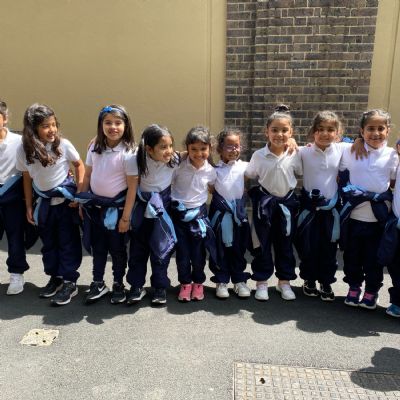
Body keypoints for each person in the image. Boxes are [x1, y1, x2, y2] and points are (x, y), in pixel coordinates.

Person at [16, 103, 84, 306]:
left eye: (54, 124)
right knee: (49, 243)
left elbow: (79, 164)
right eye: (45, 126)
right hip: (43, 204)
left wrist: (79, 194)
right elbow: (26, 177)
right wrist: (29, 205)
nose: (52, 129)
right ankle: (55, 277)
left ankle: (70, 281)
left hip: (65, 203)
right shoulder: (24, 150)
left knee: (67, 241)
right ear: (33, 129)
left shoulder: (63, 145)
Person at [77, 105, 138, 304]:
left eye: (118, 123)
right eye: (108, 123)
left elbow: (132, 187)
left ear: (126, 125)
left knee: (117, 250)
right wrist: (82, 201)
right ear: (101, 125)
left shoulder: (129, 152)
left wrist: (126, 217)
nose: (113, 127)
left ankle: (118, 283)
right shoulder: (94, 147)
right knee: (98, 248)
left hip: (117, 212)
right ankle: (98, 282)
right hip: (95, 209)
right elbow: (87, 175)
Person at [339, 109, 398, 309]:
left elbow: (393, 181)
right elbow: (327, 147)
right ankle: (354, 287)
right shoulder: (350, 150)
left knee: (374, 260)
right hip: (354, 217)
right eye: (370, 128)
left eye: (381, 128)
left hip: (378, 220)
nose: (376, 133)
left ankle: (372, 291)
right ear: (362, 131)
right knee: (352, 257)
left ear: (388, 131)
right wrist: (356, 141)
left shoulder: (392, 155)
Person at [245, 105, 302, 301]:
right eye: (275, 130)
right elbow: (248, 174)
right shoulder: (258, 155)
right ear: (266, 132)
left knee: (285, 244)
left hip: (287, 205)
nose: (280, 134)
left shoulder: (296, 153)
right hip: (265, 206)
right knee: (262, 243)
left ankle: (284, 282)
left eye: (285, 130)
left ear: (291, 132)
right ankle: (261, 281)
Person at [296, 111, 347, 301]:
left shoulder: (343, 149)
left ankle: (326, 282)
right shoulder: (303, 151)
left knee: (329, 249)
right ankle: (309, 280)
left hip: (331, 210)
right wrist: (291, 141)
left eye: (330, 129)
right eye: (320, 129)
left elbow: (362, 143)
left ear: (337, 132)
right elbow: (287, 149)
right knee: (309, 247)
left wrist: (359, 141)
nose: (325, 133)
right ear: (313, 131)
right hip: (310, 209)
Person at [126, 124, 180, 305]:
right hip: (142, 208)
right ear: (149, 149)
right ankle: (136, 286)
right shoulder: (136, 159)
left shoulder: (174, 159)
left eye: (171, 145)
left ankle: (160, 286)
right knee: (138, 250)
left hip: (163, 208)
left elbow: (192, 153)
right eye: (163, 147)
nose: (169, 150)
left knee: (161, 249)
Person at [171, 126, 217, 302]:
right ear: (187, 149)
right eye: (194, 149)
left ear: (210, 148)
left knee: (198, 254)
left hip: (199, 216)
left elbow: (212, 188)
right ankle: (185, 284)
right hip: (179, 215)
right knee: (183, 253)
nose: (199, 153)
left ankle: (198, 283)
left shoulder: (211, 171)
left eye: (203, 149)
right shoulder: (179, 166)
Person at [208, 127, 251, 298]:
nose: (234, 150)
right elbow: (212, 189)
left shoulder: (245, 167)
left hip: (239, 216)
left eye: (237, 146)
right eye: (229, 146)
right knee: (220, 248)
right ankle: (221, 280)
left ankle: (239, 280)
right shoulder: (214, 170)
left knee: (238, 248)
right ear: (219, 149)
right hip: (220, 217)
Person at [0, 100, 31, 295]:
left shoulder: (18, 141)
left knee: (15, 236)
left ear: (5, 118)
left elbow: (27, 172)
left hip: (12, 195)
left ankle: (16, 274)